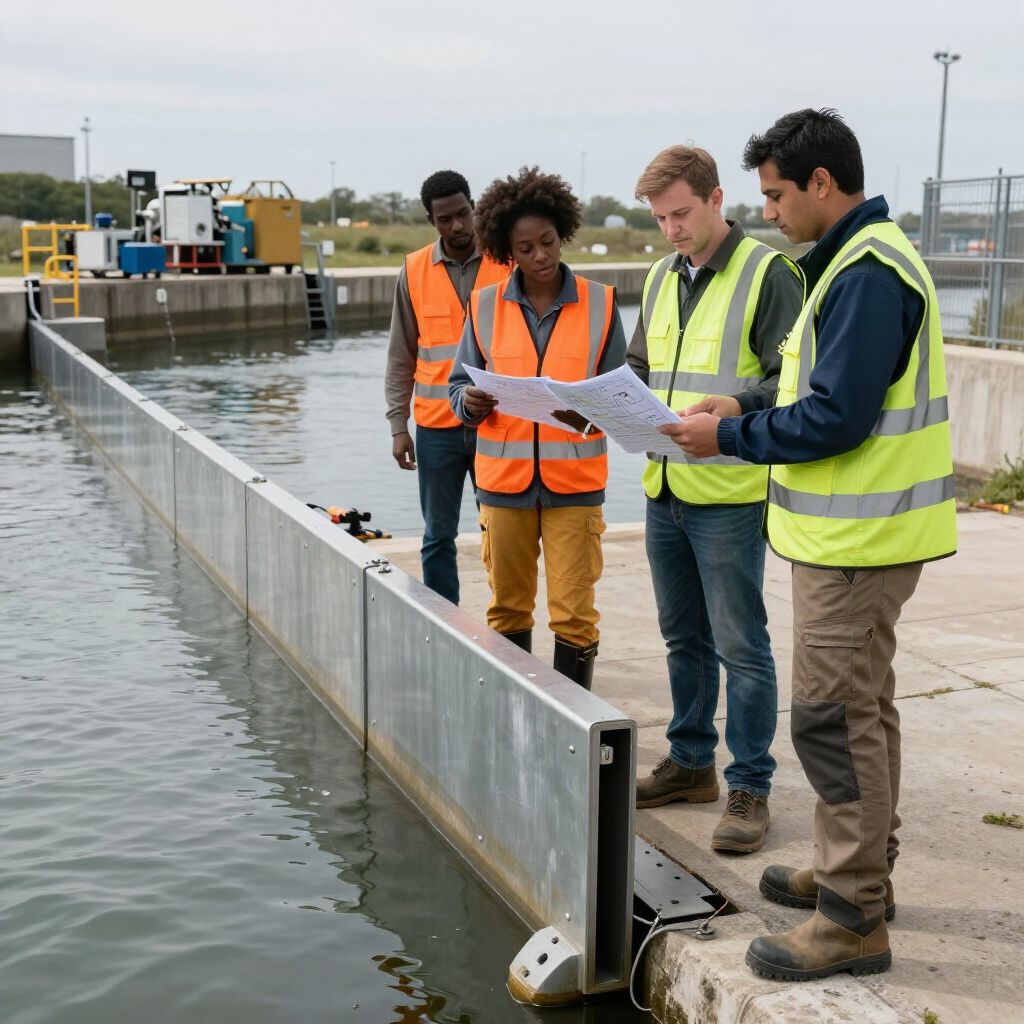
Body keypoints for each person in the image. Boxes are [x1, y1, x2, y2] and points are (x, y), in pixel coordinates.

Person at [662, 109, 957, 980]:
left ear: (823, 185)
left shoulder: (866, 271)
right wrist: (745, 409)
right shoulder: (847, 265)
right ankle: (857, 875)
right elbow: (818, 389)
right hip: (856, 536)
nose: (773, 212)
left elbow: (836, 417)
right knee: (865, 710)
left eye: (778, 194)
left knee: (831, 722)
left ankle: (851, 917)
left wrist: (731, 441)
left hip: (858, 540)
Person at [627, 146, 802, 854]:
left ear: (715, 198)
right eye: (660, 218)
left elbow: (796, 382)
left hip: (729, 490)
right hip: (664, 486)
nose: (672, 229)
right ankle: (692, 763)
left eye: (681, 213)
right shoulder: (658, 278)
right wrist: (605, 404)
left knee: (741, 645)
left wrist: (734, 404)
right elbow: (641, 366)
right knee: (682, 638)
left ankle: (750, 784)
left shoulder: (768, 273)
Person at [448, 167, 627, 688]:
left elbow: (622, 391)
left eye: (547, 242)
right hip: (503, 488)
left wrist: (593, 410)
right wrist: (471, 403)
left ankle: (571, 717)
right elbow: (456, 390)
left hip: (576, 486)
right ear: (508, 251)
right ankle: (514, 718)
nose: (540, 256)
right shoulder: (482, 307)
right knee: (507, 610)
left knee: (574, 612)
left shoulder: (602, 303)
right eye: (525, 248)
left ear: (562, 234)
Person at [384, 170, 508, 605]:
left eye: (462, 214)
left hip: (497, 423)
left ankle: (505, 627)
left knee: (500, 533)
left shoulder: (506, 262)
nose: (456, 226)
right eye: (444, 219)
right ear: (430, 220)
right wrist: (399, 425)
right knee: (438, 536)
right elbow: (401, 354)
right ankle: (443, 624)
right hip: (436, 429)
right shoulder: (414, 270)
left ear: (473, 209)